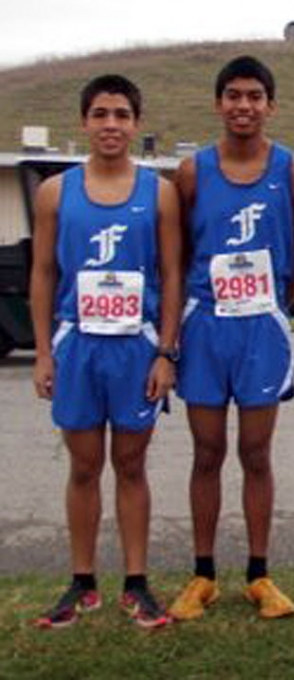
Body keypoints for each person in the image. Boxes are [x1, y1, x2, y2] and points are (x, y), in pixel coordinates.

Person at [30, 74, 181, 629]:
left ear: (136, 123)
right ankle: (82, 581)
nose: (111, 124)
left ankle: (136, 584)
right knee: (84, 464)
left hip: (135, 348)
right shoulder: (55, 192)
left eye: (121, 114)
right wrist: (44, 352)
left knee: (131, 463)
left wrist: (166, 352)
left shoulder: (157, 192)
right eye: (100, 114)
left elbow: (171, 274)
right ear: (84, 122)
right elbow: (44, 274)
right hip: (78, 345)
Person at [168, 56, 294, 621]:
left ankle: (259, 574)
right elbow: (176, 256)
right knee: (207, 452)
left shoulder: (292, 171)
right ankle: (202, 574)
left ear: (270, 105)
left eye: (254, 96)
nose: (244, 105)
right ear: (218, 103)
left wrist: (271, 296)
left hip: (262, 327)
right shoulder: (191, 172)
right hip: (205, 325)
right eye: (233, 95)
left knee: (256, 452)